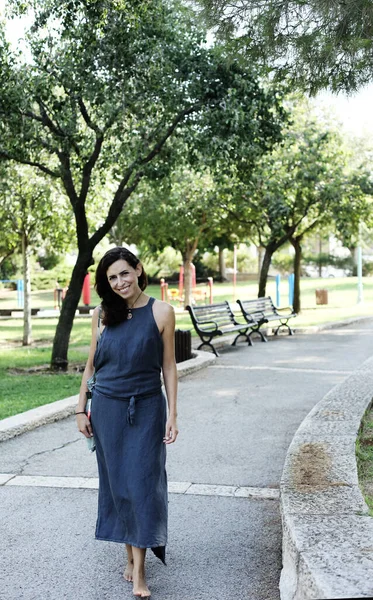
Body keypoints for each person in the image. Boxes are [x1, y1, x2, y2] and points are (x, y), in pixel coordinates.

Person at [76, 247, 178, 598]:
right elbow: (92, 366)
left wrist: (174, 415)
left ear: (138, 269)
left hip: (147, 409)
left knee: (143, 486)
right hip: (107, 410)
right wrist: (80, 409)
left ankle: (140, 574)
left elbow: (169, 366)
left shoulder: (162, 311)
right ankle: (131, 557)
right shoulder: (102, 313)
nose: (120, 282)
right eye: (112, 278)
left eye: (124, 273)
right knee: (119, 486)